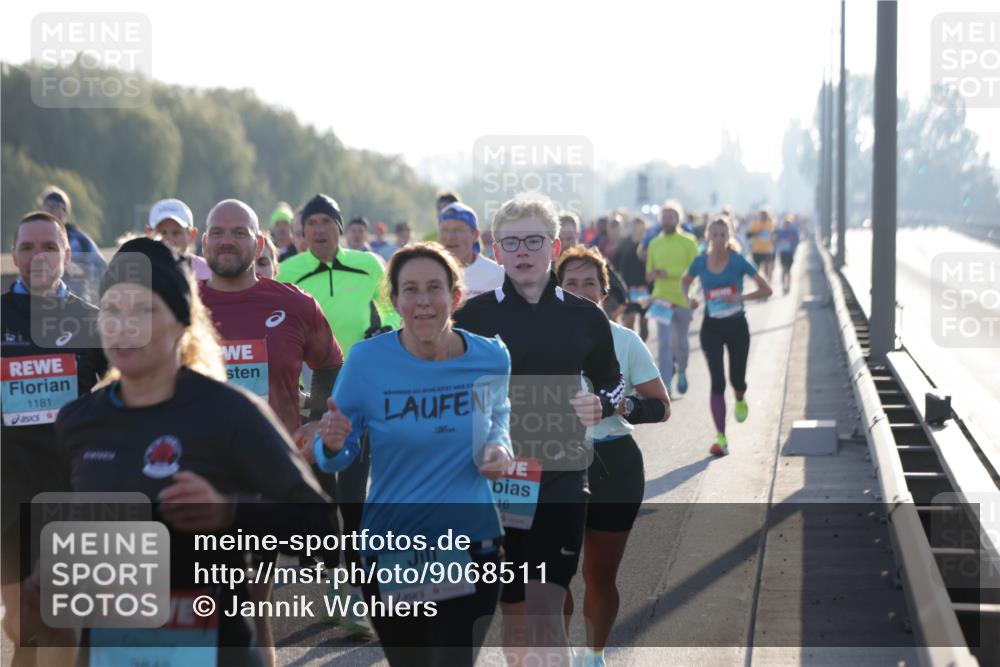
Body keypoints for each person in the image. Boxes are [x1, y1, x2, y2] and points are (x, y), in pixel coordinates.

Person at [51, 237, 336, 666]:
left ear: (182, 323)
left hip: (216, 649)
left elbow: (322, 527)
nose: (123, 326)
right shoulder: (79, 421)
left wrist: (229, 513)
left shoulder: (230, 412)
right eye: (111, 311)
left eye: (144, 311)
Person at [314, 242, 513, 666]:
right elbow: (337, 454)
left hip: (472, 544)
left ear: (455, 296)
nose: (423, 301)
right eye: (410, 290)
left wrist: (500, 447)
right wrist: (330, 442)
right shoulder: (367, 361)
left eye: (434, 288)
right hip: (393, 547)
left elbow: (499, 415)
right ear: (395, 300)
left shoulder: (491, 357)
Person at [454, 194, 624, 667]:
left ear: (553, 246)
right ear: (496, 248)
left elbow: (613, 378)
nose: (523, 251)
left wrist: (602, 401)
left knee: (548, 604)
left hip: (562, 474)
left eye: (533, 240)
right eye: (512, 242)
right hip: (497, 482)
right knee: (514, 612)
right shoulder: (473, 316)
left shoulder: (584, 314)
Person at [277, 193, 399, 636]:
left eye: (327, 222)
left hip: (358, 383)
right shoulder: (287, 271)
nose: (320, 230)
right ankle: (332, 584)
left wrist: (384, 331)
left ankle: (356, 595)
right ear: (301, 232)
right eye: (312, 224)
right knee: (321, 492)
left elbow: (390, 310)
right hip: (311, 386)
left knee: (353, 489)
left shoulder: (368, 265)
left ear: (340, 228)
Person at [1, 211, 108, 666]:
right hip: (7, 494)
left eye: (49, 246)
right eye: (28, 247)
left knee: (61, 616)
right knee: (17, 621)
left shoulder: (92, 321)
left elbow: (131, 391)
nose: (38, 256)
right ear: (14, 256)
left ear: (67, 254)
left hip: (70, 492)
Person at [555, 246, 670, 667]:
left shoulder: (624, 340)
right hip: (554, 465)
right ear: (557, 289)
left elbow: (661, 405)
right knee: (552, 576)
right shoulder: (537, 341)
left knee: (599, 577)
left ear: (606, 293)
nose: (581, 291)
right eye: (571, 283)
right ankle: (560, 652)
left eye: (590, 284)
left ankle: (593, 655)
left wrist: (629, 407)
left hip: (614, 465)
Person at [681, 216, 772, 456]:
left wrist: (739, 298)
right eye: (715, 235)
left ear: (729, 236)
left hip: (737, 327)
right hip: (711, 327)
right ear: (708, 237)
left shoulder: (738, 261)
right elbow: (685, 281)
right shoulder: (700, 262)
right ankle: (721, 437)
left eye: (723, 235)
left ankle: (740, 397)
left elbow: (767, 289)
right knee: (718, 382)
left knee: (737, 380)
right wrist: (688, 297)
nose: (719, 240)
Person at [645, 200, 700, 396]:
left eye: (671, 217)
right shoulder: (654, 243)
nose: (666, 220)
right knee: (664, 343)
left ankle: (682, 370)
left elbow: (694, 271)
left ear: (678, 219)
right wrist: (653, 275)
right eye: (664, 217)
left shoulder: (689, 241)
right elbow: (649, 273)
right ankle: (666, 385)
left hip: (683, 298)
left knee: (681, 344)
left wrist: (667, 273)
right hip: (661, 298)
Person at [37, 186, 108, 304]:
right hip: (40, 306)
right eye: (47, 205)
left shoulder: (79, 240)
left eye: (55, 206)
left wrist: (81, 270)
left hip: (75, 306)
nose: (49, 210)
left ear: (64, 211)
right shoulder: (31, 238)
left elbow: (104, 271)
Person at [439, 202, 504, 300]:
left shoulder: (499, 275)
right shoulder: (427, 273)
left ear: (475, 235)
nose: (450, 237)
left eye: (458, 230)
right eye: (444, 230)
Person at [146, 198, 212, 281]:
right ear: (148, 234)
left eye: (176, 232)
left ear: (192, 234)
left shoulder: (209, 272)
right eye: (162, 233)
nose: (169, 241)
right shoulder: (141, 273)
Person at [614, 217, 651, 341]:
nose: (637, 229)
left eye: (640, 227)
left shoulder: (649, 244)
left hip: (645, 288)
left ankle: (642, 346)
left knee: (644, 321)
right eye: (635, 226)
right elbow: (616, 264)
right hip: (628, 288)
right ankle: (632, 345)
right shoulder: (624, 243)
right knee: (629, 320)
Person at [747, 209, 777, 283]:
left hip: (767, 250)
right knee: (757, 270)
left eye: (765, 215)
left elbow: (775, 235)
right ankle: (760, 283)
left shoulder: (771, 224)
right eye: (762, 215)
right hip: (756, 250)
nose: (764, 217)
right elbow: (748, 235)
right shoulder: (754, 224)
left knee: (767, 268)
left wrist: (774, 239)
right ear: (760, 216)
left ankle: (767, 282)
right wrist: (757, 233)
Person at [775, 215, 800, 295]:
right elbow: (776, 241)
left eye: (788, 224)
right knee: (783, 269)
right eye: (785, 224)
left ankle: (788, 285)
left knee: (788, 270)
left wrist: (792, 242)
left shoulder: (793, 232)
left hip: (790, 253)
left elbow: (797, 241)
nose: (787, 226)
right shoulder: (780, 232)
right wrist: (781, 240)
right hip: (783, 253)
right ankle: (783, 286)